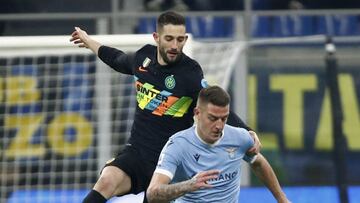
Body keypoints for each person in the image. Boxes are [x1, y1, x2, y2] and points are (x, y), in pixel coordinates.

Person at [70, 11, 260, 203]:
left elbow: (214, 105)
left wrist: (247, 130)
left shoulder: (190, 73)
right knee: (107, 180)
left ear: (185, 39)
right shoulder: (143, 58)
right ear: (157, 37)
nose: (175, 46)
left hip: (171, 163)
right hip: (138, 154)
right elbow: (118, 59)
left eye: (180, 40)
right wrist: (89, 42)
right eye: (169, 39)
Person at [146, 85, 290, 203]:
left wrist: (282, 199)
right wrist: (189, 185)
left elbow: (258, 162)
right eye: (213, 118)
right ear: (197, 113)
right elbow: (152, 193)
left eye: (224, 118)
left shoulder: (239, 137)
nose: (219, 126)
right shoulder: (178, 145)